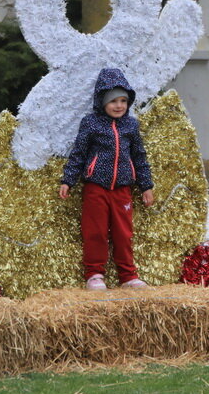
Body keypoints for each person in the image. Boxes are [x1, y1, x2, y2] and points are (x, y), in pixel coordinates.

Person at [60, 68, 155, 290]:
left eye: (123, 100)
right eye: (113, 101)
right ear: (102, 100)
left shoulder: (131, 125)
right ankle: (94, 275)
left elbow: (139, 156)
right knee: (95, 232)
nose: (119, 105)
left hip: (123, 188)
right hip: (96, 187)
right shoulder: (91, 123)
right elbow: (79, 153)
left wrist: (146, 186)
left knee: (124, 233)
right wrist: (68, 180)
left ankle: (128, 276)